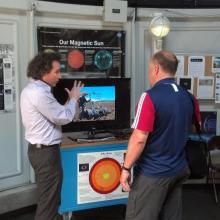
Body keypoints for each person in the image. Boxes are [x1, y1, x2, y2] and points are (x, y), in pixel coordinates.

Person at [120, 50, 200, 220]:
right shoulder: (189, 97)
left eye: (150, 70)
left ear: (156, 69)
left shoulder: (149, 97)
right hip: (178, 170)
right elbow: (191, 128)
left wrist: (126, 168)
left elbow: (139, 138)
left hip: (153, 173)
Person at [20, 52, 83, 220]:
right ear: (43, 72)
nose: (60, 76)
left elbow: (56, 114)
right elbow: (63, 117)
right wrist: (74, 99)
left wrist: (68, 102)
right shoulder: (40, 93)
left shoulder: (34, 89)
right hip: (46, 154)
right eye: (56, 72)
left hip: (40, 151)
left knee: (50, 200)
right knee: (48, 204)